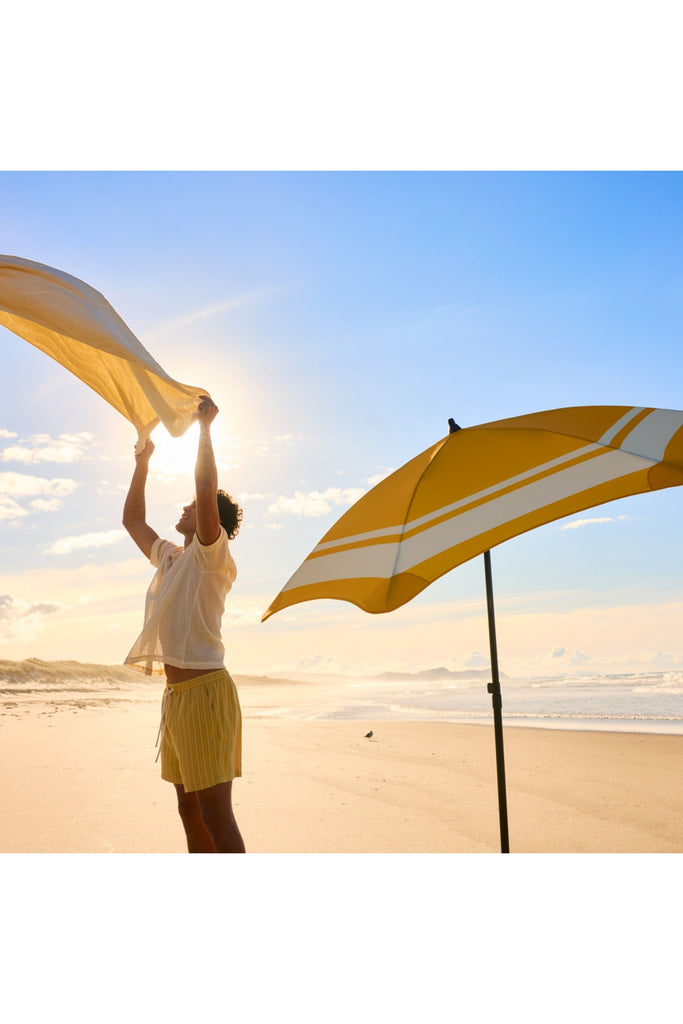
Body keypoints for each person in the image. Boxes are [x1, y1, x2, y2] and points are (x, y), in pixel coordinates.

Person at [122, 395, 246, 853]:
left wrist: (205, 430)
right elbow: (133, 520)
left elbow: (205, 484)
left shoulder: (212, 556)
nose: (188, 507)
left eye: (196, 507)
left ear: (212, 518)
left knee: (216, 814)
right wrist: (143, 461)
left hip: (207, 696)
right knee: (188, 811)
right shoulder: (173, 558)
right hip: (176, 698)